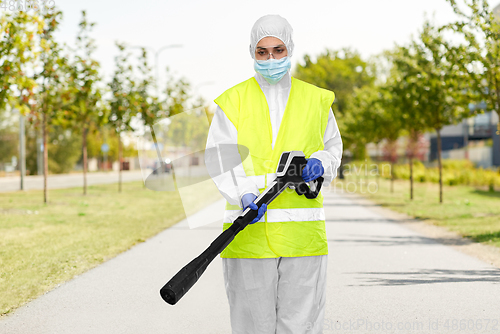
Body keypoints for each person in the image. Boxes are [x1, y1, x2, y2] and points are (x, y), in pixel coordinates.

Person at [205, 14, 343, 334]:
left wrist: (321, 162)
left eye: (278, 50)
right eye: (262, 52)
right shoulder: (232, 100)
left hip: (303, 239)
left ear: (290, 49)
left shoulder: (317, 99)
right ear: (252, 53)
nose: (271, 59)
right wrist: (243, 194)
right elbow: (220, 158)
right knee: (253, 326)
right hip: (248, 233)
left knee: (302, 325)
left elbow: (333, 147)